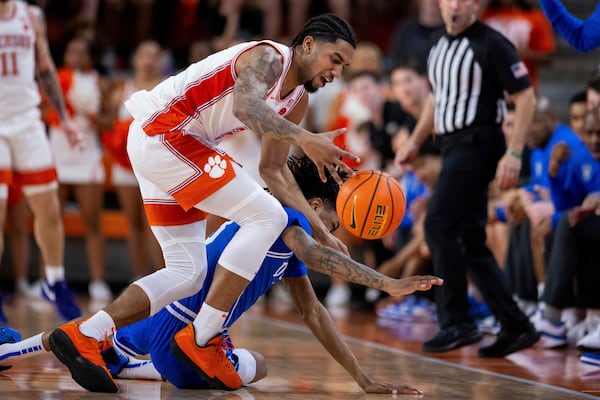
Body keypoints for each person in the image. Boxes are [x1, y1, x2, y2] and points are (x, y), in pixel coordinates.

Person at [48, 14, 360, 393]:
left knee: (186, 272)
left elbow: (275, 172)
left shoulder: (297, 100)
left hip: (166, 146)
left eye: (343, 66)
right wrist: (307, 139)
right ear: (308, 44)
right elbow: (247, 107)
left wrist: (321, 233)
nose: (336, 72)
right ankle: (205, 337)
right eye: (335, 59)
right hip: (168, 133)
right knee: (268, 217)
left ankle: (88, 332)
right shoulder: (269, 58)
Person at [0, 156, 443, 395]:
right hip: (184, 341)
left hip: (154, 320)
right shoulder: (295, 221)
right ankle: (147, 366)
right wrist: (387, 283)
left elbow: (314, 310)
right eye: (335, 223)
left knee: (98, 333)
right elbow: (314, 279)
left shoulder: (259, 215)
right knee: (261, 365)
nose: (334, 233)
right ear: (319, 206)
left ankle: (13, 347)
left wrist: (363, 378)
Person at [394, 0, 539, 358]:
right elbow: (436, 99)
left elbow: (527, 98)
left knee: (439, 225)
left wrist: (515, 151)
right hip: (452, 144)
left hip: (479, 142)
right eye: (448, 0)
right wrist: (415, 141)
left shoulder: (492, 43)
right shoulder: (438, 44)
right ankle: (516, 324)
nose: (454, 6)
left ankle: (457, 321)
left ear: (476, 4)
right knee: (471, 239)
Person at [0, 0, 82, 323]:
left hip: (28, 122)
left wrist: (64, 120)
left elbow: (45, 66)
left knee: (48, 208)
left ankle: (54, 280)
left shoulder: (31, 15)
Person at [46, 34, 112, 303]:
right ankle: (49, 280)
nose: (75, 56)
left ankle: (97, 281)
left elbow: (108, 121)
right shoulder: (51, 78)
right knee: (50, 220)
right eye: (71, 51)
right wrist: (64, 109)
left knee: (92, 220)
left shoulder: (100, 82)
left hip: (87, 156)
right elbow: (40, 113)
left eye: (81, 52)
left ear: (90, 57)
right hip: (57, 154)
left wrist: (90, 115)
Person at [100, 40, 164, 280]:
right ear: (135, 60)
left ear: (160, 61)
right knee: (133, 223)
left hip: (156, 166)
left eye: (153, 55)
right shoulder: (120, 91)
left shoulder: (167, 88)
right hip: (125, 165)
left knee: (155, 224)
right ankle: (139, 279)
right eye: (144, 55)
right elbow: (107, 125)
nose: (148, 61)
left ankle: (164, 277)